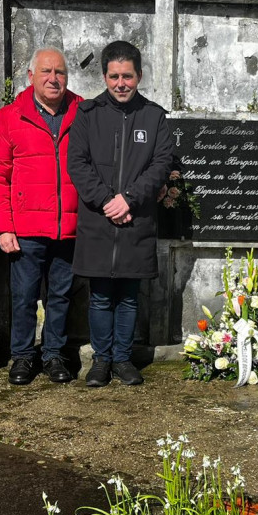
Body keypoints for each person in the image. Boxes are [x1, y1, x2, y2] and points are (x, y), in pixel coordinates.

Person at [66, 40, 174, 387]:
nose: (120, 84)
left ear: (139, 76)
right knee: (99, 297)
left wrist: (128, 199)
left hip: (136, 220)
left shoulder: (154, 117)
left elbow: (160, 165)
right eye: (114, 76)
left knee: (128, 297)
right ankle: (101, 360)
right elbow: (77, 164)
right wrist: (107, 202)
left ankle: (123, 359)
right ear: (104, 76)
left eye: (127, 76)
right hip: (98, 222)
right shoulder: (87, 114)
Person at [0, 47, 82, 385]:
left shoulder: (82, 112)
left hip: (69, 227)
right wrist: (2, 227)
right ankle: (23, 357)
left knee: (61, 297)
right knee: (24, 298)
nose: (53, 78)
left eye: (60, 72)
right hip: (25, 229)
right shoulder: (10, 117)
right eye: (46, 72)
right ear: (31, 76)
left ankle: (54, 355)